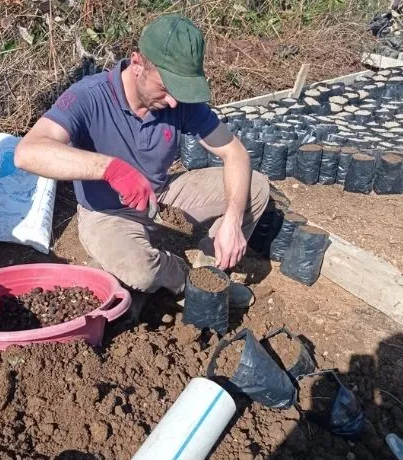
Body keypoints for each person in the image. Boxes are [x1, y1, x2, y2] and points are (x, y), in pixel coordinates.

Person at [15, 13, 269, 314]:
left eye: (181, 91)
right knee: (140, 271)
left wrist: (232, 219)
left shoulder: (179, 102)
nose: (174, 102)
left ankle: (210, 266)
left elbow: (235, 153)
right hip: (106, 212)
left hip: (160, 195)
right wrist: (110, 169)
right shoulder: (89, 96)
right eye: (166, 88)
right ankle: (189, 281)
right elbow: (27, 152)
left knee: (255, 188)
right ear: (137, 64)